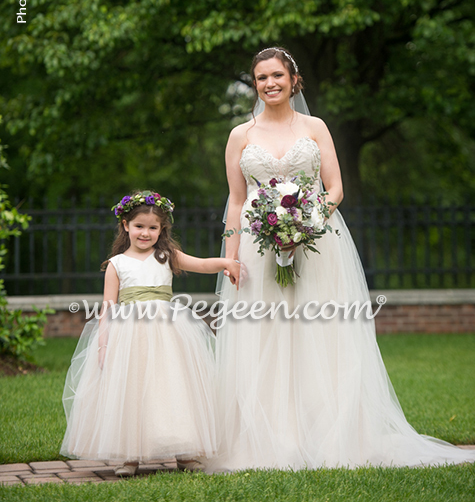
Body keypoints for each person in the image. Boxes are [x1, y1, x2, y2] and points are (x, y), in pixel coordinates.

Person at [207, 46, 475, 471]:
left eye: (277, 75)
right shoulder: (241, 134)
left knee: (320, 334)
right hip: (258, 250)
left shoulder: (315, 127)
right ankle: (272, 438)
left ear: (294, 79)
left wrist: (304, 226)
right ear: (255, 84)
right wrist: (231, 258)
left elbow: (335, 188)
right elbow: (237, 202)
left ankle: (327, 432)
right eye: (261, 78)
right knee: (264, 337)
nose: (270, 84)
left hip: (316, 245)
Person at [60, 190, 242, 476]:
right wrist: (103, 344)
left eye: (153, 228)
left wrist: (225, 263)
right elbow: (107, 307)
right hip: (128, 333)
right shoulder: (117, 265)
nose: (145, 233)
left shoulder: (166, 255)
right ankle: (130, 456)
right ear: (125, 226)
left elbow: (202, 264)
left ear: (162, 229)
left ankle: (185, 451)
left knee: (173, 386)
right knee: (130, 389)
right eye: (139, 226)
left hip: (168, 330)